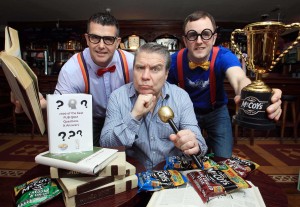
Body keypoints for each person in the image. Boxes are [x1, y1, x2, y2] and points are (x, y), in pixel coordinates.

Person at [167, 10, 282, 159]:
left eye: (206, 34)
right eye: (192, 35)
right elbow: (164, 93)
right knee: (186, 156)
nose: (200, 41)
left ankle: (209, 146)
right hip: (188, 113)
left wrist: (253, 95)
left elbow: (239, 78)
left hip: (217, 112)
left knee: (223, 157)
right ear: (185, 39)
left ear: (214, 38)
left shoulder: (223, 55)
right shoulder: (174, 61)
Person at [100, 42, 208, 170]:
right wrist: (134, 116)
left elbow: (201, 145)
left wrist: (193, 145)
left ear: (166, 73)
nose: (145, 76)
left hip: (172, 174)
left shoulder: (181, 97)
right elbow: (106, 145)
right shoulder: (118, 97)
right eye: (140, 68)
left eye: (155, 69)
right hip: (134, 174)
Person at [47, 12, 134, 146]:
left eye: (108, 39)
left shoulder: (131, 63)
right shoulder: (71, 69)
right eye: (95, 37)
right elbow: (62, 110)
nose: (101, 45)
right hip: (89, 120)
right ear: (87, 39)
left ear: (117, 42)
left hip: (123, 118)